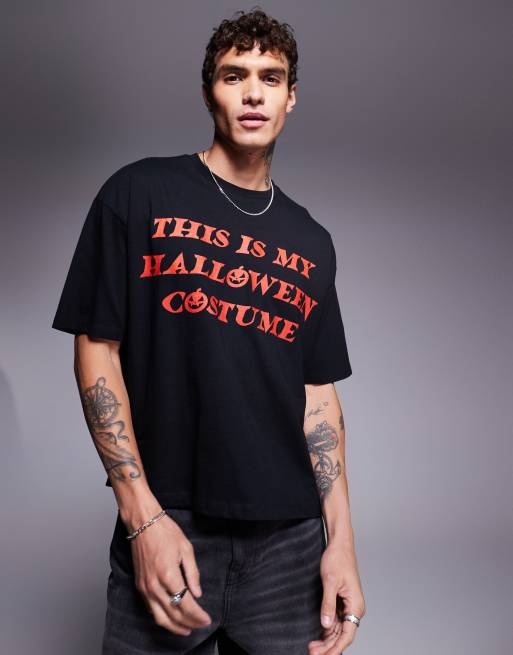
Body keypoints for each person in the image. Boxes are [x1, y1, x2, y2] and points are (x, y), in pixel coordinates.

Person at [51, 7, 365, 654]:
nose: (253, 93)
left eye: (270, 78)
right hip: (170, 526)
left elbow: (317, 399)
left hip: (289, 547)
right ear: (207, 92)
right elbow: (96, 351)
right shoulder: (138, 193)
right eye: (233, 75)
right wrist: (141, 517)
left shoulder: (312, 241)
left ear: (290, 97)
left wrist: (341, 543)